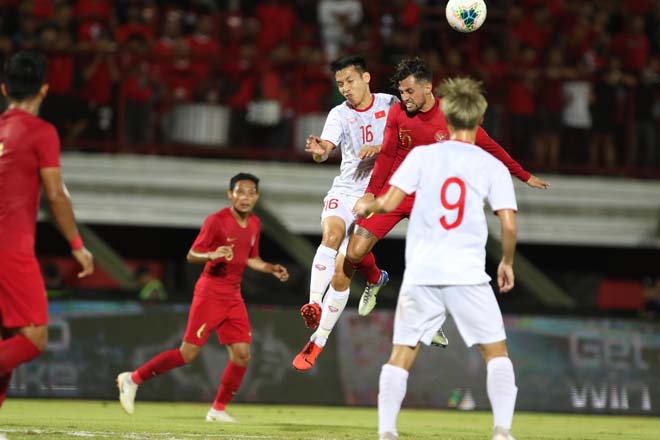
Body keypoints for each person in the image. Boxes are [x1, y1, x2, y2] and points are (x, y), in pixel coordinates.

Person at [353, 77, 519, 440]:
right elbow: (508, 222)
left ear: (445, 111)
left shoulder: (423, 156)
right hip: (468, 274)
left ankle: (386, 432)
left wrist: (370, 204)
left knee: (402, 354)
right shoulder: (491, 166)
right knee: (497, 353)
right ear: (480, 115)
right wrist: (506, 261)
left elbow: (388, 202)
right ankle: (503, 431)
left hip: (423, 272)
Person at [349, 57, 548, 316]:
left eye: (409, 91)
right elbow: (386, 155)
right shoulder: (397, 113)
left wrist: (523, 175)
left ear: (428, 88)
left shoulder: (450, 116)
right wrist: (370, 193)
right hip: (395, 193)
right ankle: (376, 279)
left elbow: (489, 145)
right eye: (401, 91)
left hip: (430, 200)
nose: (404, 97)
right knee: (354, 253)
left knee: (437, 266)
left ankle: (432, 320)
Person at [116, 173, 289, 422]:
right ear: (230, 194)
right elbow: (192, 254)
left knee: (242, 355)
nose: (245, 197)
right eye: (240, 191)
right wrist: (212, 254)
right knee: (187, 355)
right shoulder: (217, 221)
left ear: (257, 197)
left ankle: (217, 410)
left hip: (233, 295)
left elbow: (251, 257)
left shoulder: (254, 224)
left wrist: (270, 268)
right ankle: (132, 379)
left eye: (251, 193)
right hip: (210, 292)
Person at [0, 50, 94, 409]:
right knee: (33, 338)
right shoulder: (41, 132)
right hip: (11, 248)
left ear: (4, 87)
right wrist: (76, 244)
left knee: (10, 335)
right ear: (44, 89)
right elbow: (55, 194)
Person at [293, 55, 396, 371]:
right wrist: (319, 150)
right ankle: (313, 303)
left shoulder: (391, 103)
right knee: (332, 233)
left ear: (366, 78)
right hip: (345, 190)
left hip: (377, 197)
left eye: (349, 81)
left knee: (343, 270)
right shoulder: (339, 113)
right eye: (339, 84)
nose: (345, 89)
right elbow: (326, 148)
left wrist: (380, 149)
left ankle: (318, 342)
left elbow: (409, 142)